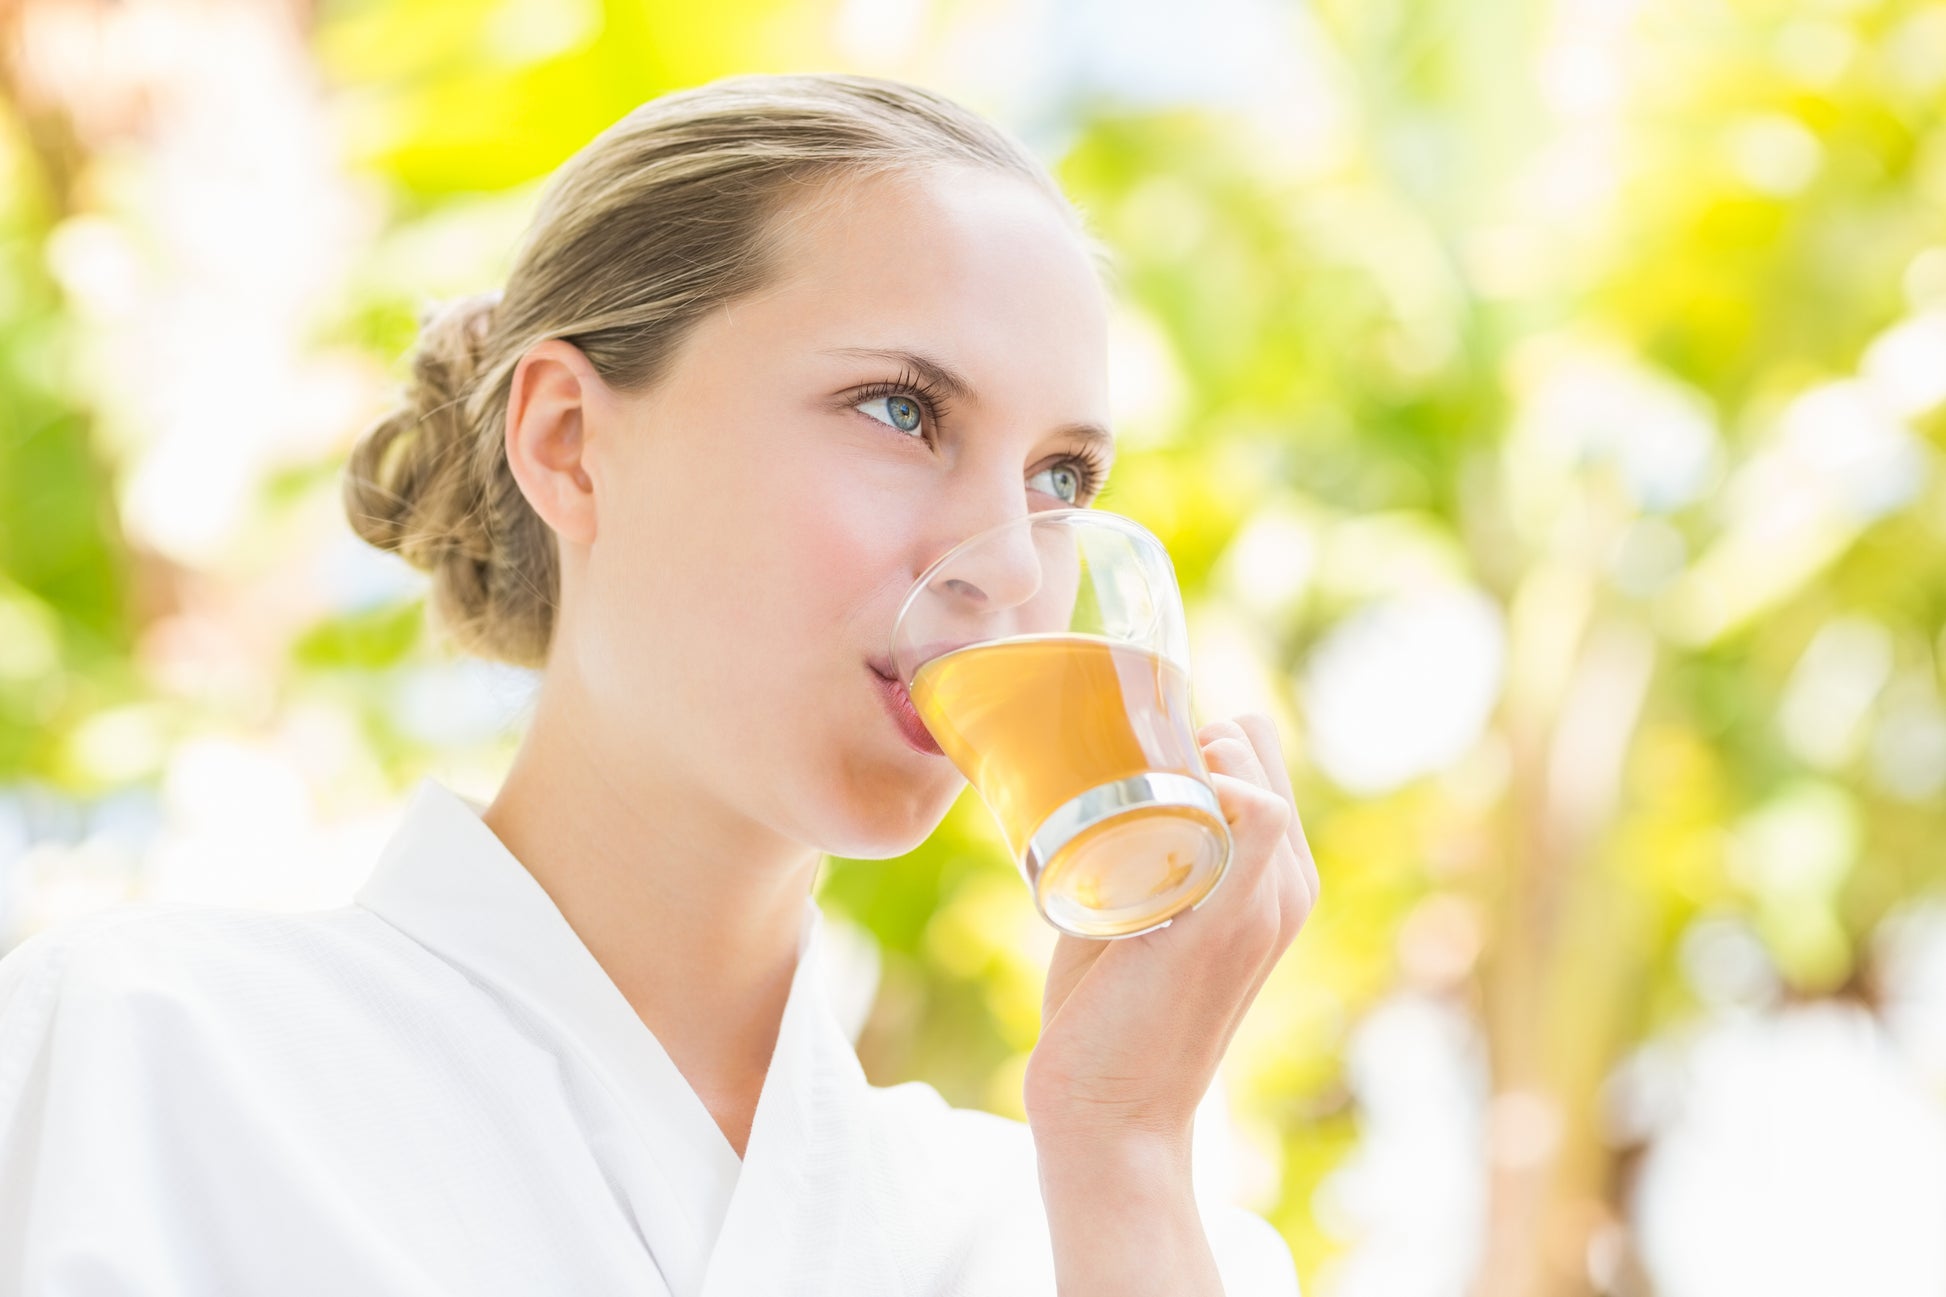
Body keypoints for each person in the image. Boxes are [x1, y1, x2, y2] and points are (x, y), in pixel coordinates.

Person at [0, 71, 1319, 1295]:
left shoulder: (1100, 1226)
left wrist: (1120, 1149)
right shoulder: (138, 1059)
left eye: (1058, 479)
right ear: (568, 441)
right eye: (901, 410)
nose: (1011, 566)